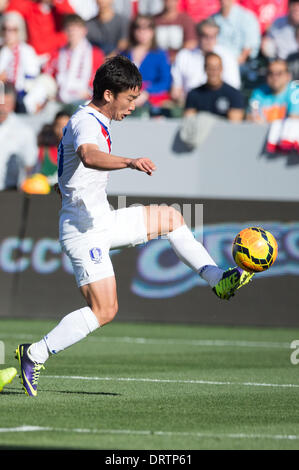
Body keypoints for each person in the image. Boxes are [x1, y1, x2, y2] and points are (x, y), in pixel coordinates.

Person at [14, 55, 254, 397]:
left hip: (102, 220)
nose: (132, 106)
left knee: (172, 219)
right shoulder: (86, 121)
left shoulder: (96, 119)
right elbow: (88, 155)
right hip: (83, 231)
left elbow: (74, 169)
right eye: (129, 99)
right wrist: (129, 161)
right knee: (105, 309)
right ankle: (34, 354)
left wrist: (67, 188)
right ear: (109, 94)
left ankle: (217, 280)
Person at [171, 18, 241, 105]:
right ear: (198, 35)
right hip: (191, 106)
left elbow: (233, 88)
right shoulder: (184, 56)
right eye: (205, 36)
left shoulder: (227, 57)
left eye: (213, 36)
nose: (209, 40)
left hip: (219, 107)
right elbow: (176, 90)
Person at [45, 14, 105, 105]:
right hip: (60, 99)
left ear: (84, 31)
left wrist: (89, 91)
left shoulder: (95, 54)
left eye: (76, 28)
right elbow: (49, 76)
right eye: (69, 29)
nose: (72, 32)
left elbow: (100, 79)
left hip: (86, 100)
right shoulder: (57, 53)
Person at [121, 14, 172, 116]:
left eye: (147, 28)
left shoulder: (160, 54)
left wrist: (147, 93)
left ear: (153, 31)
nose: (142, 32)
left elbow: (166, 82)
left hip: (151, 104)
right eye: (138, 27)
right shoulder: (124, 54)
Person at [6, 0, 75, 61]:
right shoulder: (32, 7)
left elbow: (73, 18)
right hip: (34, 57)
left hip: (56, 56)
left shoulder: (58, 9)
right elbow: (10, 5)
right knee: (11, 19)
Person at [184, 52, 245, 121]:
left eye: (216, 68)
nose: (213, 71)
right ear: (205, 68)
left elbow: (235, 124)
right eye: (210, 67)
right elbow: (189, 121)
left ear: (221, 69)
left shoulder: (234, 95)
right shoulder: (194, 94)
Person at [0, 83, 38, 190]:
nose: (2, 109)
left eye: (6, 104)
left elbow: (30, 163)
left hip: (10, 192)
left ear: (13, 105)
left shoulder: (24, 130)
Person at [212, 0, 261, 64]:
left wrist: (233, 65)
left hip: (241, 65)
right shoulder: (213, 19)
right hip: (217, 64)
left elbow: (249, 48)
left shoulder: (247, 17)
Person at [36, 111, 71, 185]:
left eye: (66, 126)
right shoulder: (43, 151)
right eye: (59, 126)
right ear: (53, 127)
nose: (62, 131)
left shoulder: (78, 153)